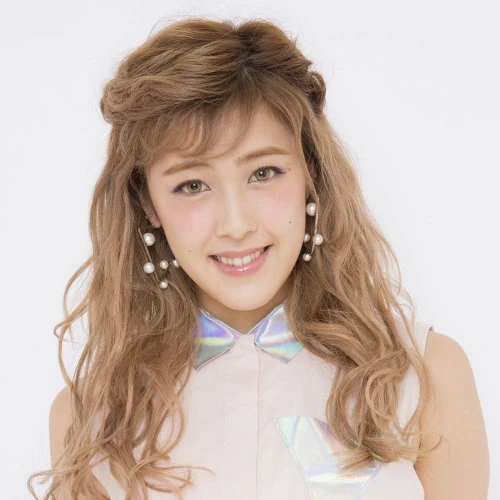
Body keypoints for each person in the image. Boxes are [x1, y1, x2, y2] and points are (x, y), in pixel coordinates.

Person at [28, 17, 489, 499]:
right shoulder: (90, 420)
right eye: (192, 185)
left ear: (310, 173)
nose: (236, 224)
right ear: (148, 203)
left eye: (264, 173)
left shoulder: (424, 374)